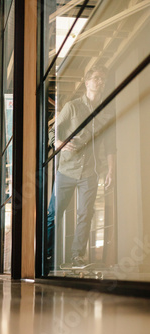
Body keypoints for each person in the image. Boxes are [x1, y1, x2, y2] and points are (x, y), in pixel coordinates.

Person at [47, 65, 116, 270]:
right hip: (66, 170)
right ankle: (47, 255)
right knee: (54, 213)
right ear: (87, 82)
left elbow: (111, 144)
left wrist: (111, 170)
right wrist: (58, 143)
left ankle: (77, 255)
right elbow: (53, 133)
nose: (100, 82)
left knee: (86, 214)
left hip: (90, 173)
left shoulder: (106, 112)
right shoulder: (73, 107)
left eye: (102, 79)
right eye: (96, 78)